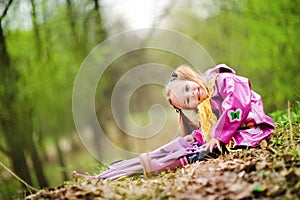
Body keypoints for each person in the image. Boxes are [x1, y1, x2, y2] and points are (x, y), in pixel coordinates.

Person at [165, 64, 274, 153]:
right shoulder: (205, 108)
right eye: (187, 100)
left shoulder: (222, 80)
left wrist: (219, 136)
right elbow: (210, 126)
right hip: (232, 128)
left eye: (187, 88)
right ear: (190, 107)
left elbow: (236, 105)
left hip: (251, 121)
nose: (192, 94)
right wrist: (196, 137)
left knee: (231, 142)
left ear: (190, 78)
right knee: (212, 146)